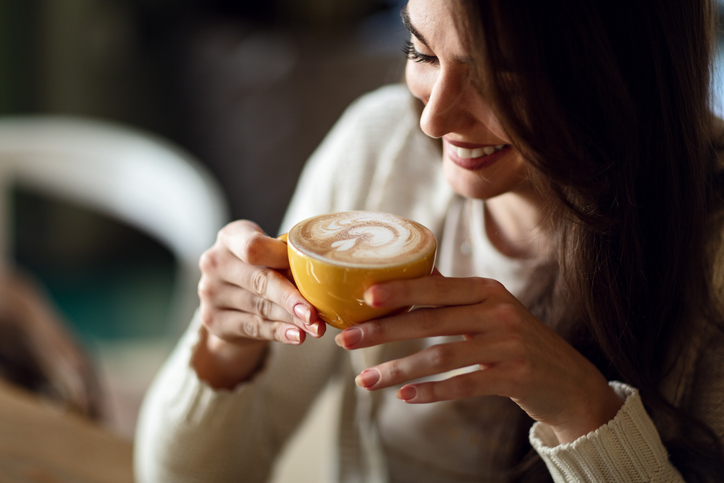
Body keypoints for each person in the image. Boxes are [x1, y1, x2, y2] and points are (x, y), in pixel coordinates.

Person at [134, 0, 724, 481]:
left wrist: (581, 408)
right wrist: (225, 347)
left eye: (499, 77)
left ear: (623, 68)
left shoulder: (710, 247)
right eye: (421, 51)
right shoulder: (379, 151)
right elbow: (179, 476)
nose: (433, 120)